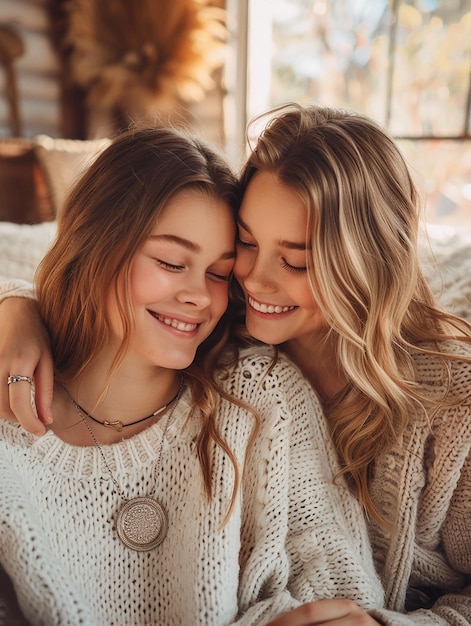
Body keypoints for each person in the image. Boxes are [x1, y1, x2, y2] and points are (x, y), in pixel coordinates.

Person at [1, 104, 470, 625]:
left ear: (364, 265)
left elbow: (336, 584)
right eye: (245, 244)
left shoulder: (450, 400)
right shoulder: (228, 323)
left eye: (295, 261)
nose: (253, 279)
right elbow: (86, 273)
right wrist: (16, 307)